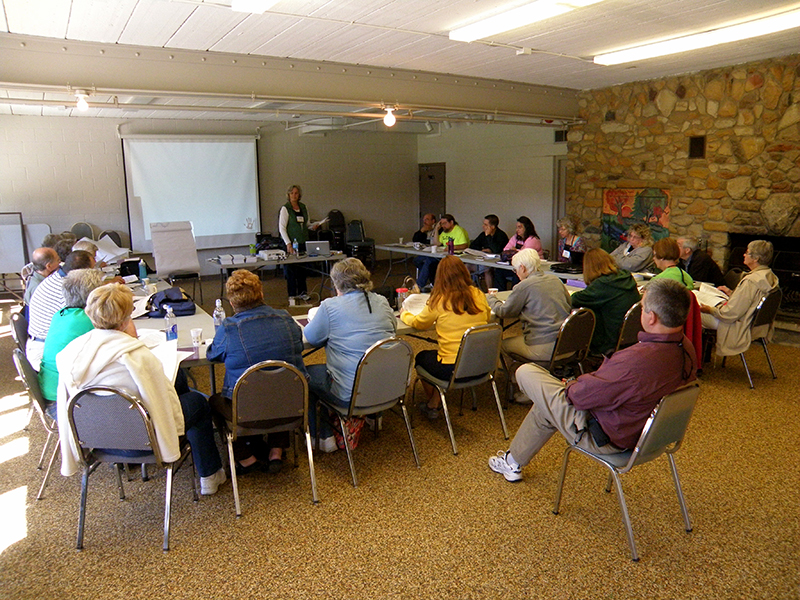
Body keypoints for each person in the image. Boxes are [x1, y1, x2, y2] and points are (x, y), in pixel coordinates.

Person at [488, 278, 697, 482]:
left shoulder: (636, 362)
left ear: (651, 317)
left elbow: (579, 397)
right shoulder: (686, 349)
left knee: (526, 372)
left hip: (605, 436)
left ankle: (511, 461)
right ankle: (512, 461)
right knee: (546, 405)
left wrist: (570, 385)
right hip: (649, 434)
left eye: (642, 308)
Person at [56, 283, 226, 495]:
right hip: (144, 439)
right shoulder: (137, 356)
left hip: (96, 438)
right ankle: (209, 474)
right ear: (126, 318)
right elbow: (161, 402)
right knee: (197, 403)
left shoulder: (71, 353)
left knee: (180, 382)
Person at [207, 269, 307, 474]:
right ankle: (276, 451)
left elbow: (213, 355)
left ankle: (246, 457)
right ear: (261, 294)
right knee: (279, 385)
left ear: (232, 303)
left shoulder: (229, 328)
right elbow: (299, 343)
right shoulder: (286, 318)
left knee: (214, 401)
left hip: (247, 413)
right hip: (292, 407)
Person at [304, 258, 396, 450]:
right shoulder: (382, 301)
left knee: (306, 375)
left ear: (336, 283)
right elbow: (392, 329)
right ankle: (375, 417)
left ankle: (324, 437)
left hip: (350, 394)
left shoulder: (330, 307)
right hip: (389, 387)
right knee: (375, 358)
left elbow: (311, 338)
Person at [400, 255, 491, 420]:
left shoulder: (439, 300)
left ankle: (433, 404)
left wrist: (404, 314)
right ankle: (435, 401)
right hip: (482, 363)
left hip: (453, 367)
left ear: (440, 276)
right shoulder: (478, 294)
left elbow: (419, 323)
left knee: (421, 357)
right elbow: (487, 317)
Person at [488, 249, 571, 403]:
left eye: (515, 270)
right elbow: (569, 304)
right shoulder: (555, 280)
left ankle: (521, 382)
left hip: (542, 346)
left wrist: (491, 298)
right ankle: (536, 375)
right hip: (565, 343)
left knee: (501, 344)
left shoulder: (524, 286)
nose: (516, 273)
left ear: (523, 268)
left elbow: (504, 311)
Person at [38, 269, 104, 411]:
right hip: (65, 402)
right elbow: (127, 339)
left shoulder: (60, 314)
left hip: (50, 390)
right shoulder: (89, 320)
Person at [699, 240, 779, 357]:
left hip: (738, 325)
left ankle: (696, 359)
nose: (744, 255)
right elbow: (750, 300)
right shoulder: (769, 275)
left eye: (747, 252)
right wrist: (731, 293)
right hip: (755, 324)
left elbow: (730, 313)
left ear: (756, 258)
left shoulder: (751, 281)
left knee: (692, 312)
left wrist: (710, 310)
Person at [26, 250, 96, 370]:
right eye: (92, 271)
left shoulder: (57, 277)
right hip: (45, 352)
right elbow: (87, 322)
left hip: (46, 343)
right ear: (82, 274)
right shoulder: (66, 291)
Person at [570, 248, 641, 356]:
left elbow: (574, 299)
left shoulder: (602, 285)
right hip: (629, 336)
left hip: (609, 340)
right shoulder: (626, 277)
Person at [278, 184, 319, 299]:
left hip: (302, 242)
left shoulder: (303, 207)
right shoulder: (285, 209)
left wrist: (313, 226)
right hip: (291, 243)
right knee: (290, 270)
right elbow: (282, 228)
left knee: (302, 269)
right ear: (288, 195)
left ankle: (303, 292)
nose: (294, 195)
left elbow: (306, 224)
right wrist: (288, 243)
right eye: (292, 193)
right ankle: (292, 294)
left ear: (299, 195)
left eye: (296, 193)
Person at [498, 216, 543, 290]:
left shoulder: (533, 239)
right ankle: (500, 293)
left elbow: (524, 255)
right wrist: (517, 251)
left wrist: (514, 250)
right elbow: (506, 250)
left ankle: (515, 293)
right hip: (517, 266)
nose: (517, 230)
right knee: (499, 271)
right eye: (516, 227)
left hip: (530, 269)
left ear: (526, 228)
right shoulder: (515, 237)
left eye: (520, 227)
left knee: (516, 276)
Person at [469, 214, 509, 289]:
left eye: (485, 225)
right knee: (466, 267)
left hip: (496, 264)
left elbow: (497, 249)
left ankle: (489, 291)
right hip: (482, 261)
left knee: (487, 269)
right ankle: (472, 288)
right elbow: (473, 246)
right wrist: (482, 249)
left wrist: (488, 237)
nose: (483, 226)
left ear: (492, 227)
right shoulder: (483, 235)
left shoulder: (501, 235)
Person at [413, 213, 439, 288]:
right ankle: (430, 278)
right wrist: (421, 231)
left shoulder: (439, 229)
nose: (424, 222)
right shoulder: (424, 230)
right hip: (426, 252)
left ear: (433, 221)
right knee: (416, 260)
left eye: (427, 219)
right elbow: (415, 240)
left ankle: (419, 285)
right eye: (424, 220)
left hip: (436, 254)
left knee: (428, 261)